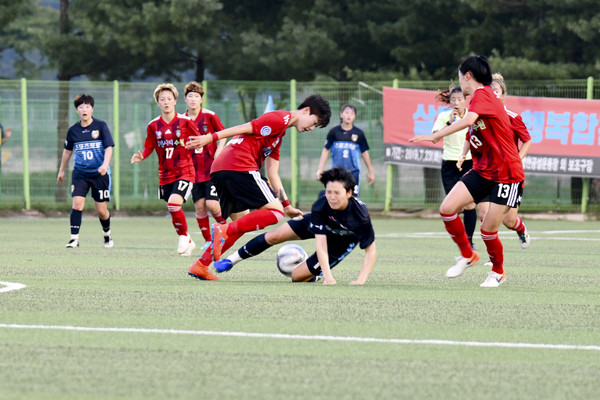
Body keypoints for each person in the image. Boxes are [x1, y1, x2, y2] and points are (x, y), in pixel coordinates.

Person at [185, 94, 331, 281]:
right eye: (314, 122)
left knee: (242, 223)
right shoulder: (279, 118)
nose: (311, 128)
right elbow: (244, 127)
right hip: (239, 165)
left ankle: (200, 266)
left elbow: (273, 173)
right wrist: (210, 138)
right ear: (306, 110)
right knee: (274, 213)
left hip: (221, 169)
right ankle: (224, 229)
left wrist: (286, 205)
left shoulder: (279, 134)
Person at [410, 55, 525, 288]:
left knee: (488, 229)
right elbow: (475, 130)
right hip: (484, 170)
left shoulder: (483, 94)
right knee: (447, 208)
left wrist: (436, 135)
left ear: (467, 76)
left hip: (506, 173)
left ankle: (498, 272)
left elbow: (470, 119)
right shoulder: (477, 98)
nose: (459, 81)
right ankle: (468, 254)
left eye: (460, 75)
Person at [214, 167, 377, 285]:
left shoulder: (360, 216)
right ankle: (230, 260)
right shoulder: (322, 205)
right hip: (324, 226)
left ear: (349, 193)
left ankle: (314, 274)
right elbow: (320, 244)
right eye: (329, 192)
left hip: (341, 242)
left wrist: (360, 280)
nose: (332, 197)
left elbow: (371, 251)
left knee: (297, 277)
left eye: (337, 193)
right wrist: (329, 277)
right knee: (274, 235)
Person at [458, 73, 532, 265]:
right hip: (485, 173)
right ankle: (494, 259)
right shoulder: (478, 114)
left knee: (508, 221)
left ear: (503, 94)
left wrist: (517, 159)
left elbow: (527, 141)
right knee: (484, 215)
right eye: (490, 90)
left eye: (497, 91)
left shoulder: (512, 117)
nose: (493, 94)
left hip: (507, 174)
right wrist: (462, 155)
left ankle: (520, 228)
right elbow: (469, 135)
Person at [131, 83, 200, 256]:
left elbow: (199, 140)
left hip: (185, 171)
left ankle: (184, 236)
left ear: (175, 101)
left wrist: (195, 146)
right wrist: (142, 156)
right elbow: (149, 147)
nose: (166, 102)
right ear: (158, 102)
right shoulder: (154, 125)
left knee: (174, 203)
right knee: (172, 209)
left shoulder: (185, 122)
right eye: (162, 99)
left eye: (169, 99)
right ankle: (189, 240)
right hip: (165, 174)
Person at [57, 94, 115, 248]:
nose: (84, 109)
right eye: (81, 107)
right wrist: (61, 170)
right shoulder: (73, 130)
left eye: (87, 106)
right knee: (77, 204)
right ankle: (74, 239)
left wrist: (104, 165)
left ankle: (107, 234)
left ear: (92, 109)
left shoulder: (101, 126)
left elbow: (109, 148)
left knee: (101, 211)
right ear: (77, 110)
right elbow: (67, 151)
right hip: (80, 174)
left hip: (99, 174)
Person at [183, 81, 228, 246]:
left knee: (213, 205)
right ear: (185, 99)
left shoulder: (210, 116)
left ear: (201, 99)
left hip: (211, 168)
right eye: (190, 96)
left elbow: (223, 134)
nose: (193, 99)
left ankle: (225, 233)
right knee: (200, 207)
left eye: (196, 96)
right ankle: (209, 241)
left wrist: (218, 152)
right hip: (192, 170)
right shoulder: (182, 119)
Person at [432, 86, 477, 248]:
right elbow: (435, 137)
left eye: (459, 99)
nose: (456, 103)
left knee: (470, 204)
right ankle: (461, 240)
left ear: (466, 100)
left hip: (469, 163)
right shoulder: (444, 116)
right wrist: (450, 122)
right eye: (453, 100)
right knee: (452, 207)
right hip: (449, 164)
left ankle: (469, 242)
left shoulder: (472, 116)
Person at [315, 103, 375, 196]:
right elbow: (326, 150)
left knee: (352, 198)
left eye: (351, 113)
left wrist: (371, 172)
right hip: (337, 173)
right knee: (337, 197)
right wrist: (320, 169)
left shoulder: (359, 133)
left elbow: (365, 153)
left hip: (353, 173)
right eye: (346, 112)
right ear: (341, 114)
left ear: (355, 116)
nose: (349, 115)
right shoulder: (334, 132)